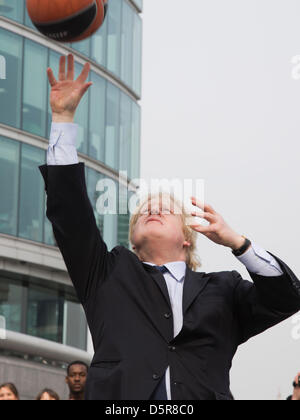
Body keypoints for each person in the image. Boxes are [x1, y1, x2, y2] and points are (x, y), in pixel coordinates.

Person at [39, 53, 300, 400]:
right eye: (144, 209)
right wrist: (62, 118)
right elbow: (69, 214)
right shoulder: (107, 274)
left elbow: (286, 298)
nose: (153, 209)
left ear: (188, 240)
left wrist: (239, 243)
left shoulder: (224, 289)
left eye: (165, 209)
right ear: (132, 241)